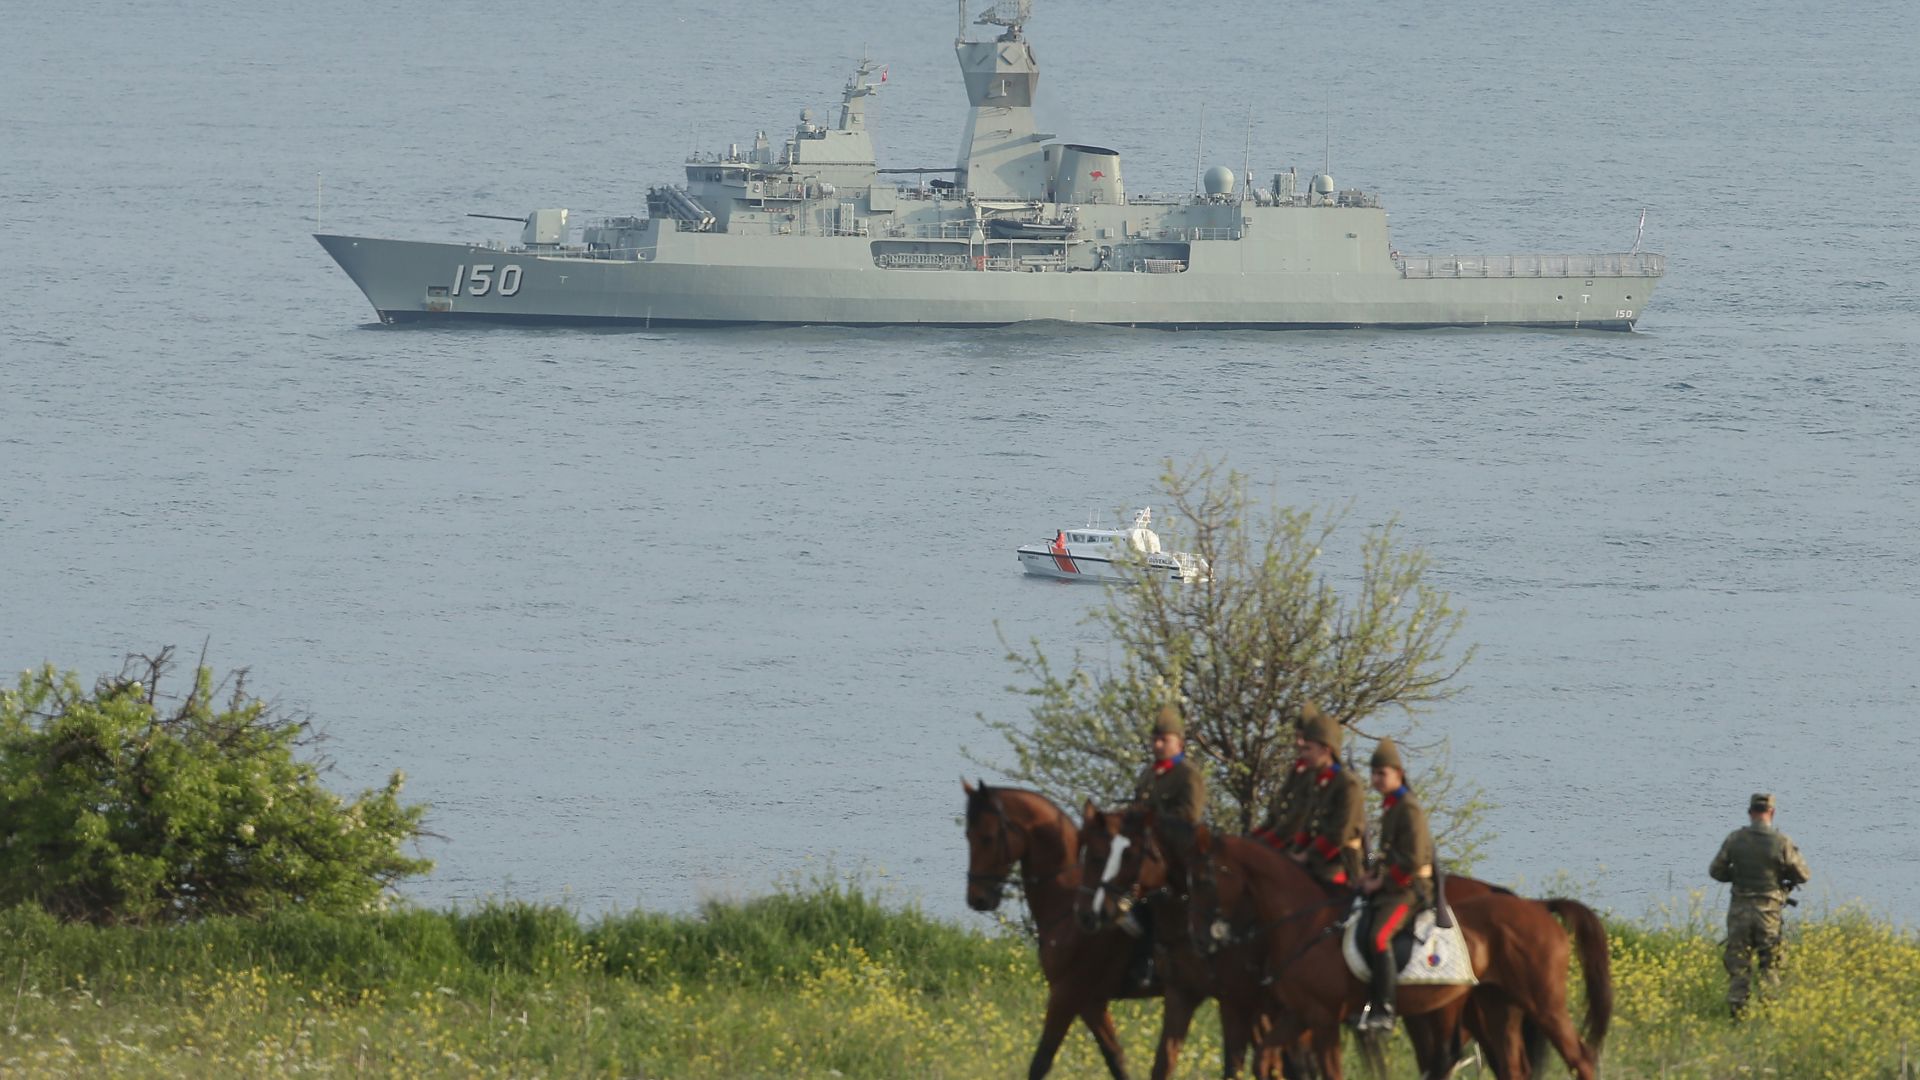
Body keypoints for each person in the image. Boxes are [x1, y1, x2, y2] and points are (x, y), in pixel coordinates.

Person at [1121, 702, 1207, 989]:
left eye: (1164, 740)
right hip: (1148, 849)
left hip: (1176, 851)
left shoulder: (1188, 775)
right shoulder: (1149, 774)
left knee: (1154, 898)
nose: (1157, 745)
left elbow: (1189, 815)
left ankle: (1147, 961)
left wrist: (1152, 821)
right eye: (1154, 740)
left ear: (1179, 743)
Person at [1353, 737, 1433, 1032]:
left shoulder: (1408, 808)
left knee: (1378, 936)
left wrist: (1380, 883)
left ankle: (1385, 1010)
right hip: (1393, 884)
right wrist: (1369, 876)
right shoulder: (1392, 806)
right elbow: (1388, 852)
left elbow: (1412, 861)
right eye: (1373, 774)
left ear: (1398, 773)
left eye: (1381, 774)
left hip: (1411, 888)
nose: (1376, 780)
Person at [1708, 792, 1811, 1017]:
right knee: (1770, 965)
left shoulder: (1735, 839)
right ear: (1771, 813)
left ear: (1750, 812)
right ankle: (1770, 1015)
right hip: (1769, 914)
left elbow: (1716, 870)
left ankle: (1738, 1016)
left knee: (1739, 966)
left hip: (1739, 913)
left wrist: (1735, 875)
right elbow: (1803, 874)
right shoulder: (1781, 842)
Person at [1285, 701, 1364, 888]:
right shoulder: (1318, 781)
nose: (1302, 754)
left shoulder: (1348, 784)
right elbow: (1307, 825)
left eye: (1308, 749)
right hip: (1314, 859)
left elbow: (1339, 834)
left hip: (1339, 863)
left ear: (1325, 750)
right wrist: (1291, 855)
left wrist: (1305, 856)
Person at [1250, 707, 1314, 851]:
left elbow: (1299, 819)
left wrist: (1268, 841)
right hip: (1288, 842)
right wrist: (1251, 839)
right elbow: (1277, 813)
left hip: (1310, 849)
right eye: (1296, 737)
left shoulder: (1325, 776)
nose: (1298, 743)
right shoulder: (1296, 770)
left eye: (1303, 738)